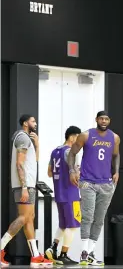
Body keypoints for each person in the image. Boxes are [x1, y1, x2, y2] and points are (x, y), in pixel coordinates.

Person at [68, 111, 120, 265]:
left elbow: (116, 155)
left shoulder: (115, 137)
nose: (104, 121)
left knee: (99, 219)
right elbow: (72, 153)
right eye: (101, 118)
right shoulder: (86, 135)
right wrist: (72, 171)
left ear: (109, 121)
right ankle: (83, 251)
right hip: (87, 182)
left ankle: (90, 252)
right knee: (87, 216)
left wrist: (116, 171)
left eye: (106, 119)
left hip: (106, 183)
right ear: (96, 119)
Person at [1, 114, 53, 267]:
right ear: (25, 123)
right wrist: (24, 186)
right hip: (24, 185)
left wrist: (37, 144)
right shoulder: (22, 137)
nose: (35, 123)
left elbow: (34, 160)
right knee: (24, 217)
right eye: (32, 121)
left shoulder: (26, 139)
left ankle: (36, 256)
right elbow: (19, 164)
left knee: (30, 217)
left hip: (29, 184)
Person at [45, 126, 81, 265]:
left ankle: (53, 248)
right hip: (70, 193)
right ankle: (63, 254)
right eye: (78, 138)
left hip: (59, 193)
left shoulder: (55, 151)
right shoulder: (71, 152)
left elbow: (49, 173)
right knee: (72, 225)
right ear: (72, 137)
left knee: (64, 224)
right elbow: (76, 175)